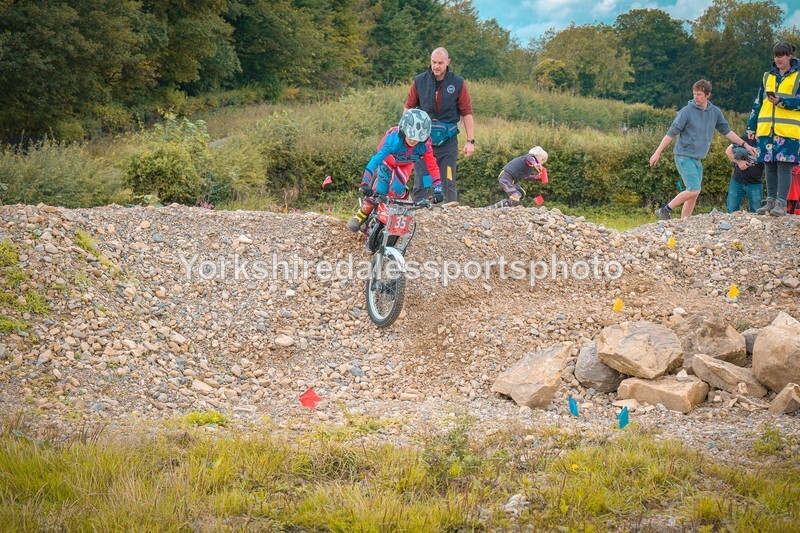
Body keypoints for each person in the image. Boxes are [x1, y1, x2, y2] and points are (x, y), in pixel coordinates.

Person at [650, 79, 756, 220]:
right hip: (683, 155)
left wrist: (745, 144)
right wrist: (657, 153)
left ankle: (684, 222)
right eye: (694, 94)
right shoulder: (686, 111)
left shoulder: (715, 112)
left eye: (699, 94)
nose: (696, 97)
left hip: (698, 158)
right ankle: (665, 210)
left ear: (707, 95)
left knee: (693, 193)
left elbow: (727, 132)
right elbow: (671, 133)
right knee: (694, 189)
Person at [346, 109, 442, 232]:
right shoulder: (393, 140)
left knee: (397, 189)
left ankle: (401, 204)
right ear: (403, 131)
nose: (412, 141)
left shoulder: (425, 145)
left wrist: (438, 189)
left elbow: (432, 166)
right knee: (381, 190)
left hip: (405, 164)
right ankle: (361, 214)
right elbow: (375, 161)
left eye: (417, 138)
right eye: (410, 136)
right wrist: (365, 183)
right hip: (388, 159)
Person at [404, 47, 475, 204]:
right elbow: (408, 108)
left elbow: (467, 113)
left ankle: (451, 215)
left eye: (440, 63)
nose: (436, 66)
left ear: (447, 62)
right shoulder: (419, 81)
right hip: (423, 140)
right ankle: (420, 214)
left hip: (447, 142)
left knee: (448, 180)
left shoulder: (458, 83)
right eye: (434, 62)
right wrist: (404, 134)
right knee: (422, 180)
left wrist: (470, 141)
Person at [746, 41, 800, 217]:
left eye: (781, 56)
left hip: (788, 131)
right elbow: (758, 103)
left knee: (784, 167)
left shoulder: (798, 77)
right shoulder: (767, 77)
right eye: (775, 56)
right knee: (769, 166)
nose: (777, 59)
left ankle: (781, 204)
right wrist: (751, 126)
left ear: (790, 56)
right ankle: (770, 202)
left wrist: (783, 103)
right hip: (766, 129)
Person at [725, 137, 763, 213]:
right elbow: (728, 151)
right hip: (737, 181)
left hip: (755, 183)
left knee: (757, 212)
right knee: (731, 211)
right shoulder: (746, 137)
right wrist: (739, 162)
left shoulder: (765, 141)